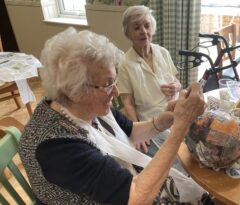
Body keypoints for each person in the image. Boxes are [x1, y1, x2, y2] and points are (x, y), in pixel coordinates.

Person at [19, 27, 210, 204]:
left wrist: (163, 121)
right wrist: (180, 128)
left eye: (114, 81)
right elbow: (135, 198)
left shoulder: (80, 104)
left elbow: (129, 131)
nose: (116, 92)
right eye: (108, 84)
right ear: (74, 91)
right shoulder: (57, 147)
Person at [117, 5, 182, 153]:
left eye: (147, 25)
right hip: (151, 122)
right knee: (173, 159)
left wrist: (177, 87)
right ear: (128, 33)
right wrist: (138, 132)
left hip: (176, 113)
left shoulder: (163, 52)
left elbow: (178, 82)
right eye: (136, 27)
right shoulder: (125, 64)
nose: (144, 32)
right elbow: (128, 103)